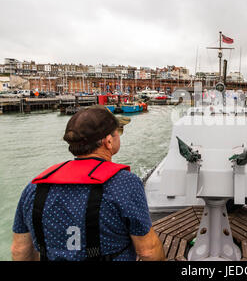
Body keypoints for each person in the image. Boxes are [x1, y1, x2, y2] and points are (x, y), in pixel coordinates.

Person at [11, 106, 165, 261]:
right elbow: (148, 251)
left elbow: (20, 250)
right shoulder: (125, 184)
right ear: (108, 141)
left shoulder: (34, 187)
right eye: (119, 131)